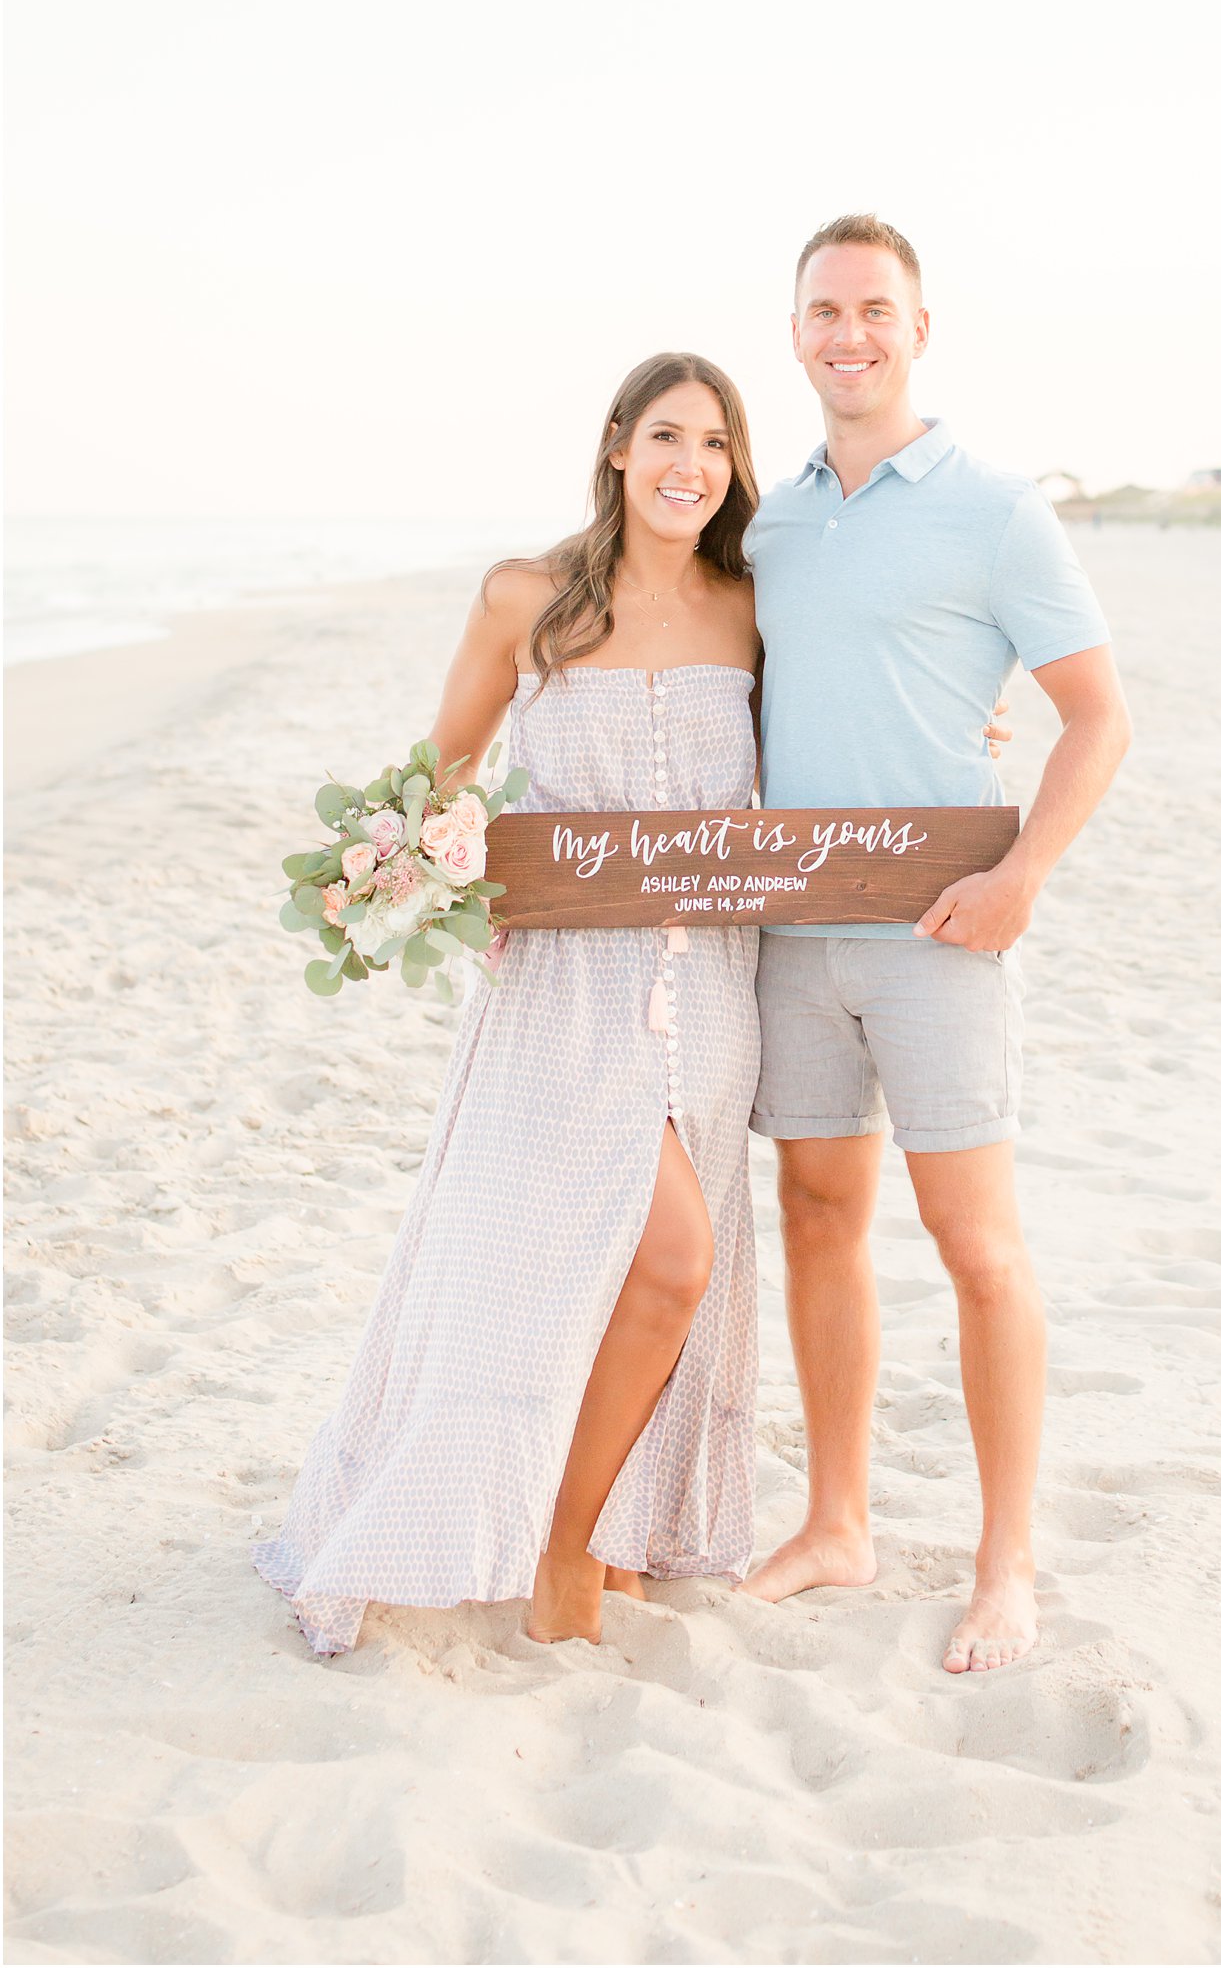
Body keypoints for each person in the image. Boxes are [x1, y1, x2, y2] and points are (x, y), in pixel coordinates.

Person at [255, 352, 767, 1654]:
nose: (687, 465)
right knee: (653, 1254)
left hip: (708, 982)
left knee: (658, 1272)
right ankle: (562, 1553)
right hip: (559, 984)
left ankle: (608, 1525)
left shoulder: (753, 609)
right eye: (664, 435)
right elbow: (444, 768)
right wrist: (388, 869)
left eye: (712, 442)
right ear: (614, 447)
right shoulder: (524, 599)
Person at [741, 215, 1132, 1675]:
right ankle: (838, 1519)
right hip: (790, 937)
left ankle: (1005, 1561)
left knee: (979, 1251)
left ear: (918, 329)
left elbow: (1099, 712)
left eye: (876, 311)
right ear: (795, 334)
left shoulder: (994, 508)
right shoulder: (766, 522)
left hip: (942, 931)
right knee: (821, 1224)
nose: (850, 334)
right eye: (825, 310)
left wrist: (1026, 870)